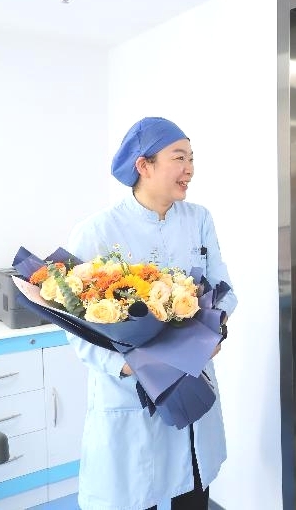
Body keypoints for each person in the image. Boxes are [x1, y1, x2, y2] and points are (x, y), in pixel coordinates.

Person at [66, 117, 238, 510]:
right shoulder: (97, 231)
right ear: (144, 165)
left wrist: (215, 334)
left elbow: (223, 289)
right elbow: (76, 325)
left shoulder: (198, 219)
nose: (189, 169)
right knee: (136, 493)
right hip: (131, 392)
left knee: (191, 491)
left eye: (192, 158)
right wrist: (130, 365)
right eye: (179, 158)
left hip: (191, 382)